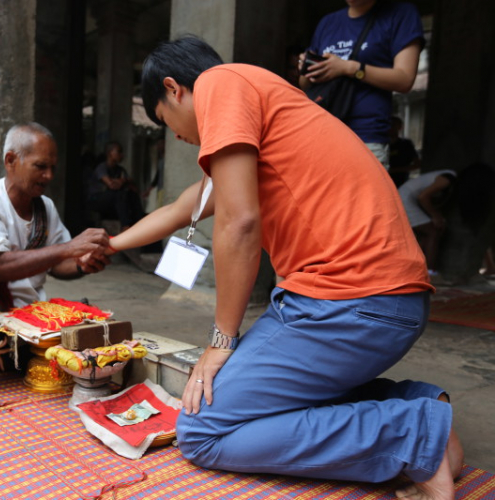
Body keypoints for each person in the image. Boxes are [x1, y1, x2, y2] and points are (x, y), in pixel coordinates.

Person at [106, 36, 461, 500]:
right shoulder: (257, 106)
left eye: (162, 118)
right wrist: (109, 244)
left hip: (348, 303)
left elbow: (240, 221)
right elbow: (185, 206)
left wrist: (221, 340)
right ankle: (415, 404)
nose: (173, 134)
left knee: (202, 430)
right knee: (247, 405)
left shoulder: (221, 84)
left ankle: (408, 432)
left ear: (175, 89)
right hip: (382, 302)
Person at [0, 122, 109, 414]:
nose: (48, 176)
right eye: (40, 166)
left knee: (88, 331)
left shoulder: (45, 207)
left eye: (52, 167)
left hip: (21, 326)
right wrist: (67, 248)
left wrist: (81, 263)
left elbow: (58, 263)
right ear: (10, 161)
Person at [299, 0, 424, 168]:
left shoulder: (401, 13)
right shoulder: (328, 22)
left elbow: (404, 80)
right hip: (320, 135)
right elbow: (304, 85)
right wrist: (306, 66)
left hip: (366, 137)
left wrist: (349, 68)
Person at [398, 169, 457, 277]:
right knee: (433, 232)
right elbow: (423, 197)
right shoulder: (447, 179)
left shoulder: (447, 176)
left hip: (406, 199)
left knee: (425, 235)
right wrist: (436, 216)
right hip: (404, 200)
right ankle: (429, 271)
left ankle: (417, 269)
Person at [86, 141, 146, 230]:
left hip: (114, 201)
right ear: (110, 153)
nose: (121, 155)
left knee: (131, 195)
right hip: (97, 199)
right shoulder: (102, 168)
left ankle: (141, 224)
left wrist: (122, 181)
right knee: (118, 195)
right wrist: (122, 181)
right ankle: (125, 227)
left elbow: (133, 188)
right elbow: (112, 185)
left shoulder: (120, 170)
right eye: (119, 151)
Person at [389, 116, 421, 187]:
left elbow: (417, 164)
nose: (390, 128)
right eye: (389, 125)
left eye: (393, 125)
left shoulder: (406, 144)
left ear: (400, 127)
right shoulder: (381, 145)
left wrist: (394, 170)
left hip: (401, 182)